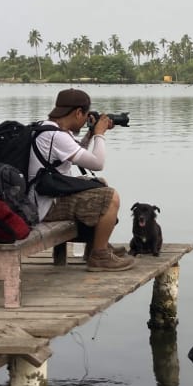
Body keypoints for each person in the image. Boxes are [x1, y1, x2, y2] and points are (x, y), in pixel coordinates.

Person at [28, 88, 135, 271]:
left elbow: (76, 153)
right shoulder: (57, 136)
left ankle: (95, 247)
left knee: (99, 184)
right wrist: (100, 134)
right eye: (85, 115)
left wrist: (91, 134)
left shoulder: (45, 128)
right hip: (45, 206)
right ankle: (99, 256)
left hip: (38, 197)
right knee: (110, 197)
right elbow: (97, 163)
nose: (86, 119)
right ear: (78, 112)